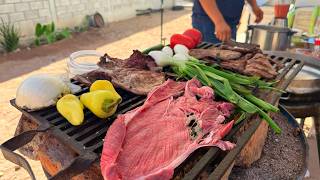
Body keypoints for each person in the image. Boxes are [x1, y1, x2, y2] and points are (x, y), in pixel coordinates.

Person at [192, 0, 264, 43]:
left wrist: (255, 6)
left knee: (228, 60)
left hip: (231, 23)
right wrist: (219, 22)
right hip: (209, 22)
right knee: (210, 62)